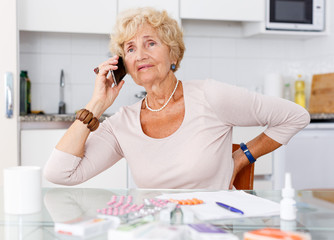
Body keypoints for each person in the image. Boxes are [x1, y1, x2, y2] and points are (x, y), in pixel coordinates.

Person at [44, 7, 310, 190]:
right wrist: (97, 104)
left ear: (174, 55)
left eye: (151, 43)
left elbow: (295, 116)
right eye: (131, 49)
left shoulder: (210, 96)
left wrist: (241, 158)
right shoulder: (122, 124)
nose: (140, 55)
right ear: (123, 64)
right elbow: (60, 173)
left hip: (212, 229)